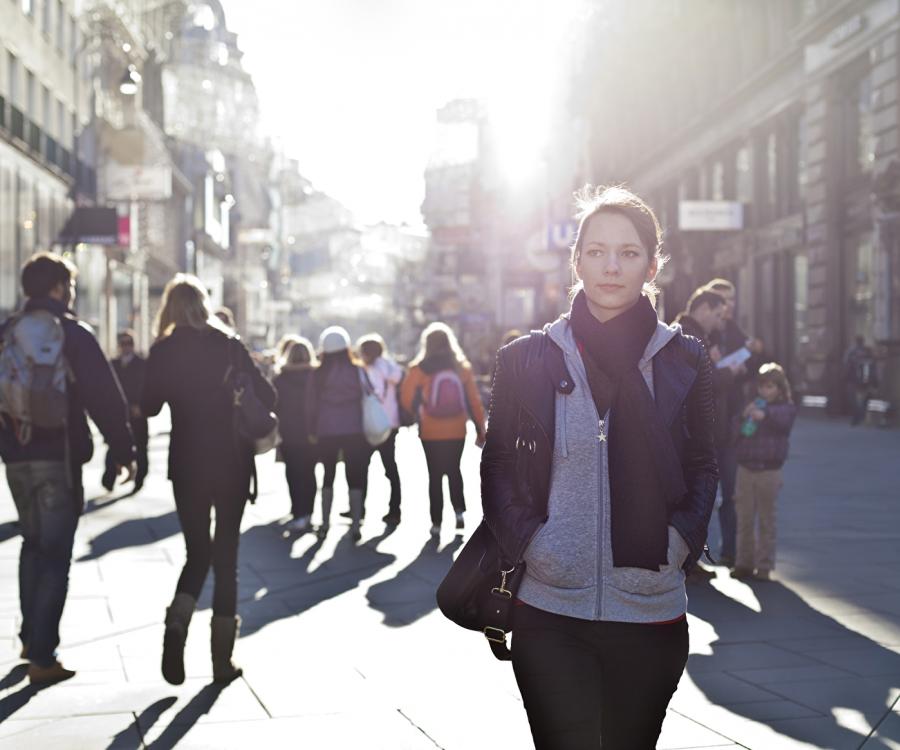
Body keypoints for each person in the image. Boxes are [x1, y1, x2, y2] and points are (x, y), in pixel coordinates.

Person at [482, 186, 717, 749]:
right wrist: (535, 545)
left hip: (650, 608)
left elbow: (705, 464)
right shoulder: (525, 359)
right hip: (550, 608)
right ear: (577, 260)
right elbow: (499, 467)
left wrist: (679, 543)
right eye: (596, 251)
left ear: (652, 264)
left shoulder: (686, 359)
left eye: (629, 252)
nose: (612, 266)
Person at [0, 253, 135, 684]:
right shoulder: (74, 334)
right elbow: (103, 395)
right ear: (58, 288)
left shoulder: (6, 334)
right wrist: (122, 447)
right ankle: (43, 656)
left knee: (32, 542)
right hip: (58, 456)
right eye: (69, 285)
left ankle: (29, 637)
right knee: (56, 554)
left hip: (16, 455)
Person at [141, 274, 275, 685]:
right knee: (227, 559)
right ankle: (221, 662)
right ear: (203, 305)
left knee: (196, 553)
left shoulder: (163, 350)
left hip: (186, 465)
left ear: (169, 309)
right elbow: (268, 399)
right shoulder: (229, 345)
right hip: (231, 463)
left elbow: (148, 407)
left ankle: (177, 625)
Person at [400, 322, 486, 536]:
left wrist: (416, 413)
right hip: (457, 429)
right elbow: (474, 401)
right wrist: (480, 429)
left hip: (430, 430)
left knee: (435, 474)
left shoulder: (419, 369)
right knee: (454, 469)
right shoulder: (461, 368)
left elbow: (406, 398)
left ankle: (436, 522)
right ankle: (459, 513)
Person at [703, 278, 764, 565]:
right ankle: (696, 556)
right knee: (701, 495)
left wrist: (754, 355)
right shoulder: (705, 333)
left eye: (732, 299)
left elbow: (753, 371)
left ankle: (730, 550)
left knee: (731, 491)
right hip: (707, 423)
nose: (729, 306)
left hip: (731, 422)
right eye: (723, 300)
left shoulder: (738, 333)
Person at [731, 363, 797, 581]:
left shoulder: (785, 407)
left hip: (769, 469)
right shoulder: (752, 404)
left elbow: (784, 423)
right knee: (744, 518)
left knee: (767, 519)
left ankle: (765, 565)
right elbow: (736, 432)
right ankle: (743, 562)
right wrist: (743, 417)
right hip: (746, 467)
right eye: (762, 387)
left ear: (779, 388)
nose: (765, 391)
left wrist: (765, 415)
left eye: (770, 387)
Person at [306, 326, 368, 541]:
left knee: (328, 475)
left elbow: (310, 404)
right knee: (355, 475)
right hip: (354, 428)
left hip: (327, 429)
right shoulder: (358, 370)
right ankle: (356, 525)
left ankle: (324, 523)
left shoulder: (319, 373)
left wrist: (312, 430)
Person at [357, 334, 404, 525]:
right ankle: (395, 509)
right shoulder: (391, 367)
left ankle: (359, 508)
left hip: (371, 424)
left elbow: (370, 395)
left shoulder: (370, 370)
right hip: (390, 423)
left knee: (361, 467)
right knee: (390, 468)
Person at [273, 337, 318, 533]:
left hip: (288, 432)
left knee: (293, 473)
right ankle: (308, 513)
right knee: (309, 473)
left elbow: (273, 405)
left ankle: (298, 511)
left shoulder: (280, 378)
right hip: (312, 432)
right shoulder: (316, 376)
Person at [102, 329, 149, 494]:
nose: (126, 347)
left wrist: (142, 407)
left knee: (140, 447)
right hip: (117, 413)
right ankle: (109, 478)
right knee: (113, 443)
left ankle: (139, 480)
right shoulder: (112, 364)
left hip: (137, 412)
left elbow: (148, 388)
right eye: (123, 343)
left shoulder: (142, 364)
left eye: (129, 343)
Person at [844, 335, 878, 426]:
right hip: (864, 379)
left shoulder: (851, 352)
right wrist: (874, 379)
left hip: (854, 379)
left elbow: (846, 364)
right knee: (863, 399)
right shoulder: (867, 351)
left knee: (855, 400)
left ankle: (857, 417)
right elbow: (873, 365)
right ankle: (861, 416)